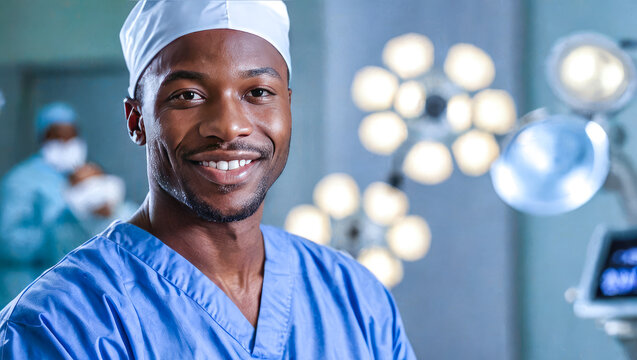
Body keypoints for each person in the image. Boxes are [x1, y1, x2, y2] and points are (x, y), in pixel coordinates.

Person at [0, 1, 416, 359]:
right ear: (136, 120)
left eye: (258, 92)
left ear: (289, 106)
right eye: (188, 96)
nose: (229, 126)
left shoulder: (356, 300)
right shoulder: (59, 327)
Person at [0, 102, 86, 306]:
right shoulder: (21, 180)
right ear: (42, 139)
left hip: (64, 295)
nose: (66, 142)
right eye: (56, 136)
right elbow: (7, 243)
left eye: (71, 135)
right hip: (23, 292)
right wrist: (56, 231)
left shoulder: (79, 178)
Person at [51, 162, 137, 260]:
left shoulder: (132, 214)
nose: (94, 190)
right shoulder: (67, 233)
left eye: (97, 182)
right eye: (84, 187)